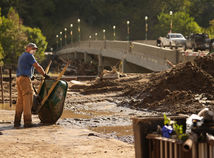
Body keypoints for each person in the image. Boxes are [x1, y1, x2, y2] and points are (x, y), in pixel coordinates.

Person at [14, 43, 49, 128]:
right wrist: (45, 75)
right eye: (33, 48)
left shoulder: (22, 56)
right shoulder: (29, 56)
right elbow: (37, 66)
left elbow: (24, 67)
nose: (34, 50)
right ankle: (27, 122)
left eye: (35, 49)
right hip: (25, 80)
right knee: (28, 100)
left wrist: (31, 76)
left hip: (19, 79)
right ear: (28, 48)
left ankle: (17, 121)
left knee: (20, 101)